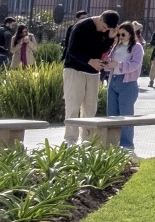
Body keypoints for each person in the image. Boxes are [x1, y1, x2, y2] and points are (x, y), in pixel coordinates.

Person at [61, 10, 118, 142]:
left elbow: (101, 50)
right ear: (100, 19)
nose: (104, 31)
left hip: (93, 72)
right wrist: (90, 61)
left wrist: (110, 39)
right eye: (103, 27)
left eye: (107, 29)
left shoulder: (105, 32)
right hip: (75, 70)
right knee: (73, 105)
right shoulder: (81, 26)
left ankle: (86, 138)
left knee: (90, 108)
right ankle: (70, 139)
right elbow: (72, 50)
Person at [104, 23, 145, 149]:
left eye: (123, 34)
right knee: (111, 113)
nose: (120, 37)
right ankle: (112, 143)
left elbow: (135, 64)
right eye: (119, 34)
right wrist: (106, 64)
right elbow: (110, 62)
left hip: (128, 83)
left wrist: (118, 65)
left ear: (130, 34)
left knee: (126, 115)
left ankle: (126, 144)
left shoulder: (137, 47)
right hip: (114, 81)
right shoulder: (116, 46)